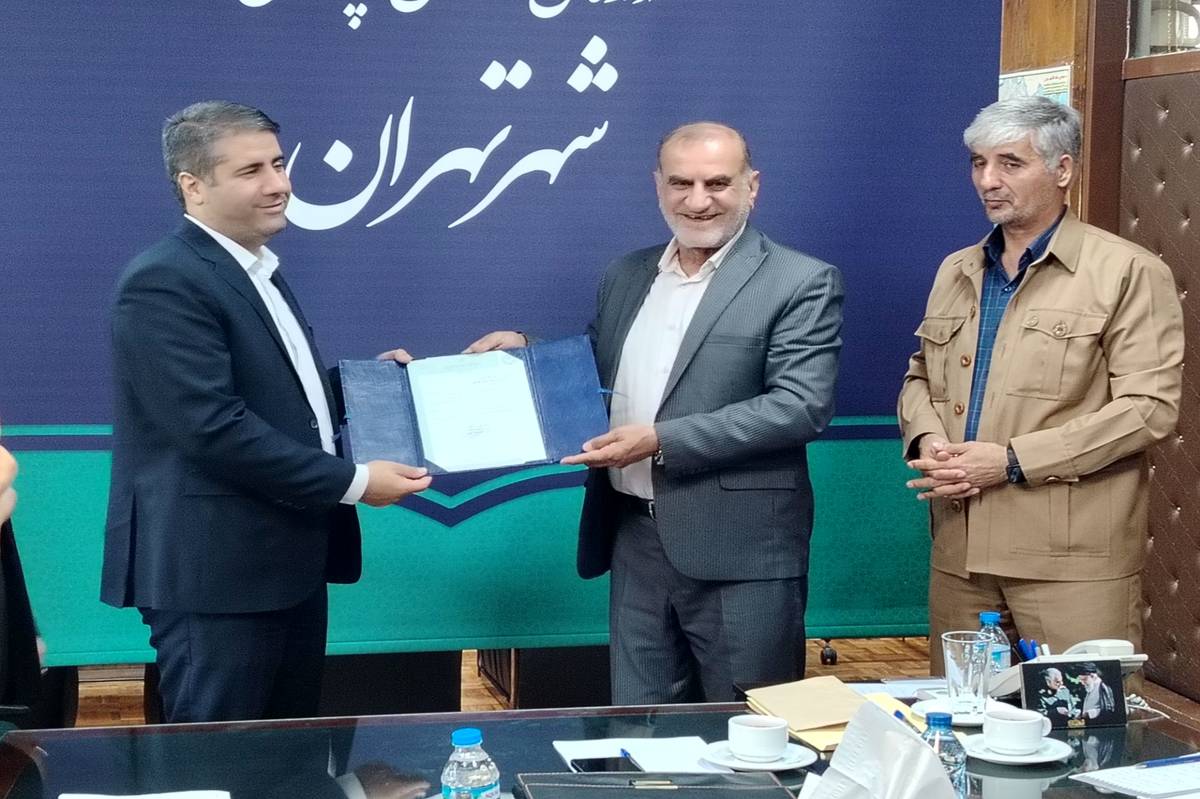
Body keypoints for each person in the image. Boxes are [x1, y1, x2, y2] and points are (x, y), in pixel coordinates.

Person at [468, 122, 843, 703]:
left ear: (752, 186)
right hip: (634, 537)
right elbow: (601, 369)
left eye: (717, 183)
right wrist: (527, 352)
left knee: (747, 726)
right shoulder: (627, 274)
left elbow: (800, 407)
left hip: (740, 549)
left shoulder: (800, 281)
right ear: (658, 186)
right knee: (639, 722)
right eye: (681, 183)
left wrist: (660, 439)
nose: (698, 200)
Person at [101, 101, 432, 723]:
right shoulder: (164, 280)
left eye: (279, 164)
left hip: (285, 566)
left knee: (284, 754)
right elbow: (211, 427)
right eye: (251, 170)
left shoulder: (256, 270)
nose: (279, 184)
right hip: (216, 577)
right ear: (193, 186)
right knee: (216, 759)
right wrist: (357, 482)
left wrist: (362, 388)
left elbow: (275, 396)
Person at [898, 96, 1184, 674]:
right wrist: (930, 440)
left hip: (1071, 564)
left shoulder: (1127, 271)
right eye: (978, 163)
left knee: (1082, 717)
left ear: (1062, 170)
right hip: (960, 553)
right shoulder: (956, 270)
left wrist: (1011, 461)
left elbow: (1148, 408)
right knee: (963, 713)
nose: (988, 180)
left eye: (1010, 163)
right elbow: (920, 374)